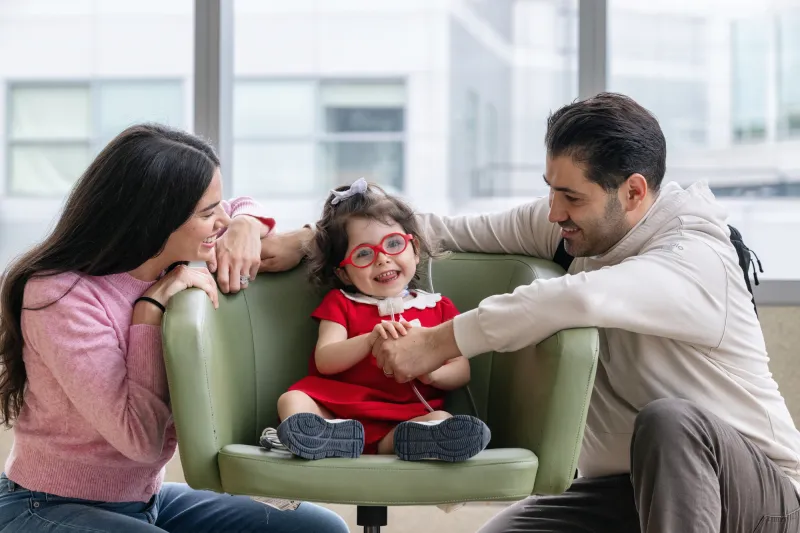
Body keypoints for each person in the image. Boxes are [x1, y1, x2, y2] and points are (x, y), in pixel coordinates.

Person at [263, 93, 800, 532]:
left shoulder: (694, 257)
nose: (553, 212)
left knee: (672, 420)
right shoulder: (581, 229)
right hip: (627, 491)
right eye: (550, 191)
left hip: (756, 498)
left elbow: (570, 299)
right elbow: (440, 231)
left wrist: (434, 343)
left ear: (633, 192)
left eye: (571, 196)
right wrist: (311, 239)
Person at [0, 124, 349, 532]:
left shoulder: (177, 254)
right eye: (207, 213)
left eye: (219, 207)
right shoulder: (60, 297)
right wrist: (148, 313)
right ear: (154, 219)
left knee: (319, 528)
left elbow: (238, 207)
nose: (220, 220)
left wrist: (247, 224)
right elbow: (141, 440)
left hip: (144, 500)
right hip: (44, 505)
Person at [265, 178, 490, 462]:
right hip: (339, 411)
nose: (382, 259)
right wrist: (370, 338)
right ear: (344, 273)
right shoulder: (342, 304)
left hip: (406, 415)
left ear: (415, 249)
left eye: (393, 244)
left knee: (440, 418)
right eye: (363, 254)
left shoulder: (438, 307)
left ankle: (405, 442)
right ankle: (329, 436)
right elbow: (325, 359)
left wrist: (429, 370)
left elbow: (462, 370)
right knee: (292, 400)